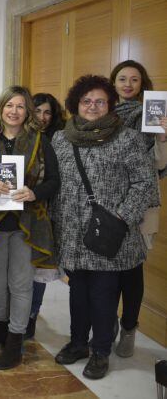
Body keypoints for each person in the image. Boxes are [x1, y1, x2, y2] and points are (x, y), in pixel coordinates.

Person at [52, 75, 156, 380]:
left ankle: (100, 351)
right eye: (87, 101)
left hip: (112, 234)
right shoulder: (61, 139)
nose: (93, 106)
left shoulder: (128, 139)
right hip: (72, 231)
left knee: (103, 295)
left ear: (110, 105)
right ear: (76, 104)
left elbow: (144, 184)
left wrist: (124, 216)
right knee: (77, 291)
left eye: (100, 101)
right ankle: (77, 343)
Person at [0, 86, 59, 371]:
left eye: (20, 106)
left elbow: (54, 181)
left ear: (27, 112)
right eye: (9, 105)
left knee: (20, 285)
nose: (14, 111)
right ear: (1, 108)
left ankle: (14, 340)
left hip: (26, 224)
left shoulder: (40, 142)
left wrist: (34, 193)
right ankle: (0, 327)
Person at [109, 61, 166, 358]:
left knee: (132, 271)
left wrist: (163, 138)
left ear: (142, 83)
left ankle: (129, 326)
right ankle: (109, 325)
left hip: (143, 203)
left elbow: (160, 166)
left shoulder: (153, 115)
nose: (128, 84)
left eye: (134, 79)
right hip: (109, 202)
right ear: (113, 83)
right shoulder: (104, 113)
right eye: (122, 79)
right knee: (108, 269)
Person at [26, 92, 66, 339]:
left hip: (50, 211)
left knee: (39, 269)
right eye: (38, 111)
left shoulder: (60, 139)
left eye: (47, 112)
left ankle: (31, 315)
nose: (42, 117)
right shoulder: (24, 137)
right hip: (25, 209)